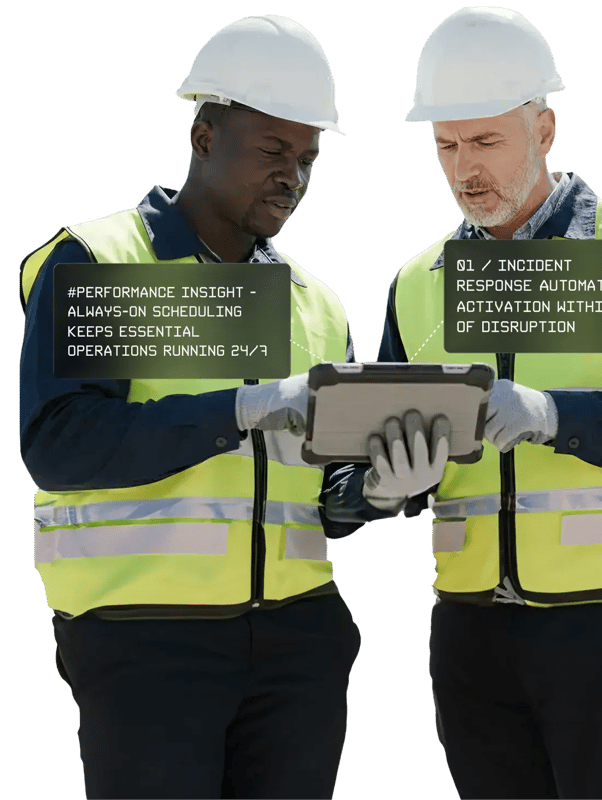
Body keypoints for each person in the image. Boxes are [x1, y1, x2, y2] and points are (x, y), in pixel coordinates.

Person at [323, 7, 602, 800]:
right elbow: (349, 472)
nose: (462, 167)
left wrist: (553, 415)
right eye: (445, 145)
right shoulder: (418, 284)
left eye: (485, 142)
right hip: (473, 633)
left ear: (543, 130)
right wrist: (378, 489)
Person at [19, 15, 365, 800]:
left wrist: (373, 489)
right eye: (273, 152)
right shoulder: (100, 260)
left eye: (307, 160)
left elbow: (319, 496)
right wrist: (240, 406)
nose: (294, 179)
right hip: (143, 639)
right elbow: (63, 446)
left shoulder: (315, 301)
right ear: (204, 137)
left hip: (297, 637)